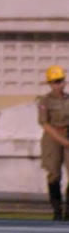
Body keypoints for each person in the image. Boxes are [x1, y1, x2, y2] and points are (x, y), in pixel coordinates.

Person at [37, 65, 69, 221]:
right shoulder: (45, 101)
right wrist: (63, 141)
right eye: (55, 82)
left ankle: (68, 211)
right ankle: (57, 210)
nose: (58, 85)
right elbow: (44, 123)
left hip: (67, 134)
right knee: (54, 174)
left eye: (60, 81)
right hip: (52, 138)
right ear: (50, 84)